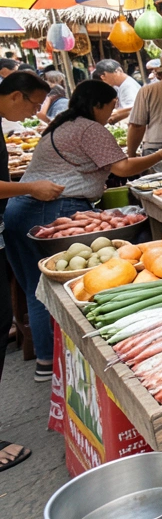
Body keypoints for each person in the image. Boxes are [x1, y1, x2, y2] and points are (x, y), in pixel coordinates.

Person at [4, 81, 162, 382]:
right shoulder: (87, 128)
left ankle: (48, 363)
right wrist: (160, 155)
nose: (111, 115)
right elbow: (122, 169)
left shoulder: (63, 125)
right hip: (53, 209)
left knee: (39, 287)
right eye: (110, 108)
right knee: (62, 289)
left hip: (20, 210)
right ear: (97, 105)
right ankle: (69, 363)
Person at [0, 72, 64, 433]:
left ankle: (46, 364)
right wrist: (30, 187)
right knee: (36, 291)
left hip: (7, 221)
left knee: (27, 292)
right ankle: (49, 362)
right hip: (18, 212)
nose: (34, 113)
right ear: (15, 97)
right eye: (33, 104)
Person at [92, 59, 140, 124]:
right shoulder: (121, 86)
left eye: (103, 76)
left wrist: (114, 114)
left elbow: (134, 108)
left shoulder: (128, 86)